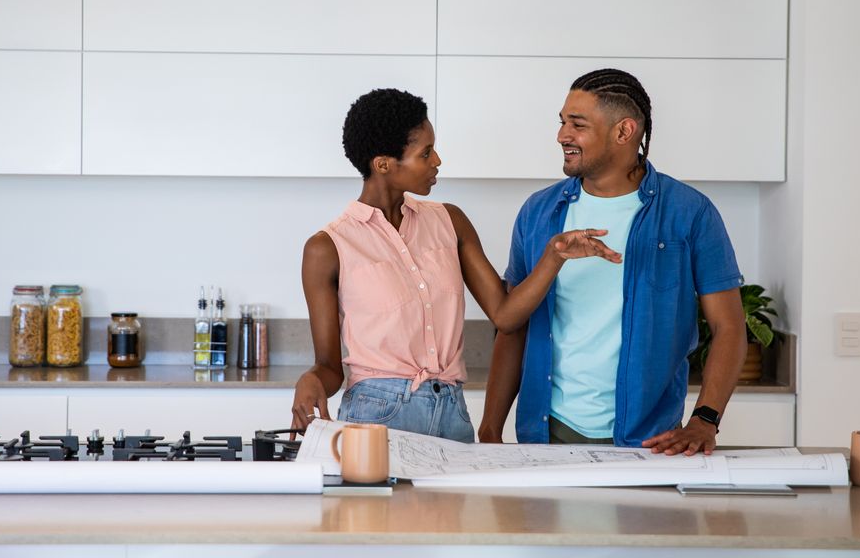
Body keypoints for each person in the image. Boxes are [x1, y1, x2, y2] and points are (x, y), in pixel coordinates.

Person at [290, 88, 621, 441]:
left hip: (452, 414)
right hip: (375, 418)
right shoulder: (327, 247)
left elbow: (506, 315)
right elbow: (329, 368)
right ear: (384, 164)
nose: (437, 161)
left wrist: (553, 256)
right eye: (426, 153)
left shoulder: (451, 221)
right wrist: (311, 380)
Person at [478, 68, 747, 455]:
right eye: (562, 122)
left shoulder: (690, 213)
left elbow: (729, 327)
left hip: (650, 442)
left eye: (578, 124)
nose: (562, 136)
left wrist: (705, 419)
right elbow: (512, 329)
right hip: (543, 439)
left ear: (624, 132)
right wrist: (490, 430)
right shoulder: (538, 213)